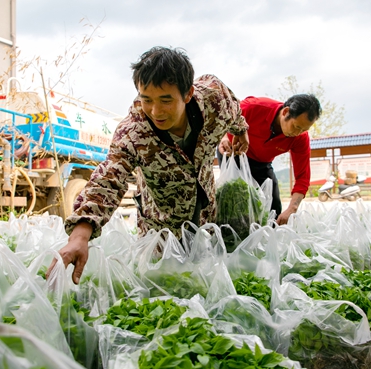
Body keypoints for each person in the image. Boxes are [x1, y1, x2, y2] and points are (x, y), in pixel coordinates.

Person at [47, 46, 249, 283]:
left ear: (188, 94)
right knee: (166, 285)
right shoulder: (134, 132)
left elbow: (234, 112)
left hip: (204, 212)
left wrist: (241, 132)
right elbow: (108, 178)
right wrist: (80, 235)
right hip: (160, 224)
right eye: (146, 100)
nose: (156, 111)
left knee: (205, 276)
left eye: (166, 100)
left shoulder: (215, 101)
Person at [218, 94, 322, 225]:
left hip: (262, 163)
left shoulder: (300, 138)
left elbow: (303, 177)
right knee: (235, 200)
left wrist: (292, 209)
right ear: (285, 112)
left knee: (274, 206)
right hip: (233, 152)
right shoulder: (254, 107)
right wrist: (223, 136)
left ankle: (269, 239)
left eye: (303, 130)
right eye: (296, 127)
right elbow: (222, 115)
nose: (298, 133)